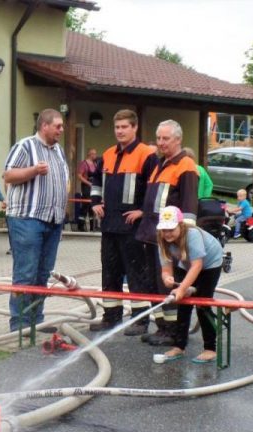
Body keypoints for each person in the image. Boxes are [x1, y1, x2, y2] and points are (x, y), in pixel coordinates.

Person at [90, 109, 158, 335]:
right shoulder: (107, 154)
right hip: (109, 224)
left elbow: (154, 187)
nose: (119, 131)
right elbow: (96, 180)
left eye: (124, 127)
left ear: (134, 127)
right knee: (110, 270)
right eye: (117, 127)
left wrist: (142, 211)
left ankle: (140, 319)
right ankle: (111, 316)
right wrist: (95, 202)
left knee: (137, 271)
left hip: (133, 226)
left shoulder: (147, 154)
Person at [4, 108, 69, 332]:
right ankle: (20, 325)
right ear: (44, 126)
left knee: (43, 273)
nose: (62, 130)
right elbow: (8, 175)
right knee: (26, 273)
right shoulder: (25, 146)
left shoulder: (58, 151)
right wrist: (33, 170)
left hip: (53, 220)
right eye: (58, 126)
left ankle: (36, 320)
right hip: (27, 219)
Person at [136, 120, 199, 346]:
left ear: (178, 140)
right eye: (159, 138)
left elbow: (190, 207)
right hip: (153, 237)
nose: (160, 143)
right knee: (154, 285)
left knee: (168, 284)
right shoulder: (160, 164)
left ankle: (173, 331)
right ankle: (162, 327)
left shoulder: (186, 166)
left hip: (171, 240)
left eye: (165, 139)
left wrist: (184, 243)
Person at [156, 206, 223, 364]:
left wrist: (182, 288)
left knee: (202, 304)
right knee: (183, 305)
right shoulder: (162, 240)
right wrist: (167, 278)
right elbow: (166, 268)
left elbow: (197, 266)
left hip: (210, 263)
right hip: (185, 265)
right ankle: (179, 346)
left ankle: (210, 349)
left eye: (171, 229)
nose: (167, 233)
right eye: (164, 230)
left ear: (181, 225)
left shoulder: (192, 235)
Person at [77, 148, 97, 232]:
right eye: (93, 154)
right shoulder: (84, 164)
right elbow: (79, 175)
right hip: (86, 187)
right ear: (89, 154)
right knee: (85, 206)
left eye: (95, 154)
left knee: (93, 206)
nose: (95, 155)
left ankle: (93, 227)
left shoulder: (95, 164)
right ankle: (80, 226)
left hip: (94, 188)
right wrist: (88, 183)